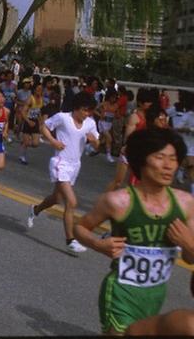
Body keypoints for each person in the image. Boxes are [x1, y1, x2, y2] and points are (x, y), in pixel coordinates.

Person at [73, 128, 194, 335]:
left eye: (173, 159)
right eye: (160, 157)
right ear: (141, 161)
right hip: (121, 291)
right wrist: (97, 244)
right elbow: (80, 227)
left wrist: (187, 243)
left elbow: (190, 259)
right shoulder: (118, 201)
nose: (168, 166)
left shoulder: (185, 204)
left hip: (156, 294)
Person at [27, 92, 99, 253]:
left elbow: (97, 145)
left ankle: (35, 209)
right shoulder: (63, 117)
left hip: (75, 165)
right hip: (60, 162)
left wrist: (94, 142)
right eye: (85, 110)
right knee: (71, 202)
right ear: (77, 108)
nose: (87, 114)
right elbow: (44, 126)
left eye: (89, 111)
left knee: (57, 198)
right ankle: (70, 240)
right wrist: (53, 141)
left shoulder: (90, 123)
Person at [19, 82, 45, 165]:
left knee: (35, 144)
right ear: (34, 90)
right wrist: (28, 121)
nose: (39, 91)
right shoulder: (30, 99)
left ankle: (23, 143)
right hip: (28, 121)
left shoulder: (41, 99)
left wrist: (41, 122)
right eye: (38, 89)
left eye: (41, 89)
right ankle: (22, 156)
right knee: (26, 142)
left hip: (35, 122)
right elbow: (23, 112)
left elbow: (39, 111)